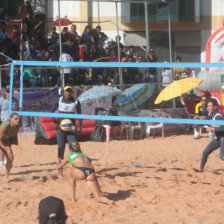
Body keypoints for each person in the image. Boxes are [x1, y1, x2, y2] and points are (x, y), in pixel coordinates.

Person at [50, 86, 82, 167]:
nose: (68, 93)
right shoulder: (59, 100)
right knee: (61, 147)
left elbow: (79, 114)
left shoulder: (76, 101)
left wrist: (80, 126)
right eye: (66, 91)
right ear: (64, 92)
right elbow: (51, 111)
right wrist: (55, 121)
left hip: (71, 128)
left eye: (69, 91)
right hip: (60, 127)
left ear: (72, 92)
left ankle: (75, 166)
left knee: (73, 147)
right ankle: (60, 168)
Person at [198, 98, 224, 171]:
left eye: (210, 106)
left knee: (222, 157)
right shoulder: (211, 115)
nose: (208, 107)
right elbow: (206, 122)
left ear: (215, 107)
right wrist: (201, 120)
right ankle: (201, 169)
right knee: (205, 152)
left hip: (223, 138)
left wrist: (213, 129)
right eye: (207, 106)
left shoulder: (218, 116)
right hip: (217, 138)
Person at [0, 86, 19, 169]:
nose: (10, 93)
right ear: (5, 92)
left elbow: (17, 112)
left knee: (8, 143)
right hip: (3, 123)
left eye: (11, 91)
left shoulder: (15, 101)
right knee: (2, 143)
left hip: (11, 125)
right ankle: (1, 162)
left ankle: (6, 162)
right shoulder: (1, 100)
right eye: (8, 91)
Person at [0, 113, 22, 181]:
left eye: (19, 118)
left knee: (11, 157)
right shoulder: (5, 126)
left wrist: (17, 145)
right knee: (8, 152)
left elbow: (15, 137)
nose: (18, 120)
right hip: (1, 139)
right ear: (11, 119)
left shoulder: (17, 126)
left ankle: (6, 176)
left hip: (4, 140)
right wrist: (6, 149)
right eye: (16, 118)